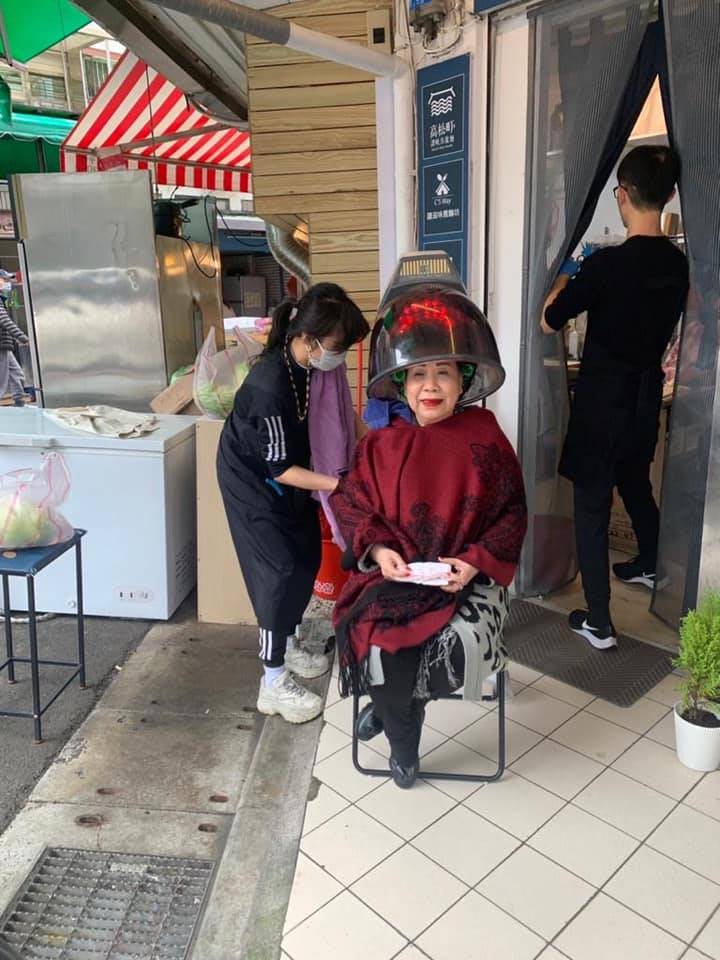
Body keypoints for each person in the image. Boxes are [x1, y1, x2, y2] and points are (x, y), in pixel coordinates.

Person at [330, 268, 527, 788]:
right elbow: (351, 503)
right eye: (417, 374)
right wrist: (378, 552)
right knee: (375, 631)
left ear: (463, 379)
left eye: (443, 372)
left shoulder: (486, 438)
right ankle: (402, 730)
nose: (431, 386)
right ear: (402, 384)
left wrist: (473, 563)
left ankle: (394, 718)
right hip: (394, 576)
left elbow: (511, 514)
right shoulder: (379, 445)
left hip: (464, 581)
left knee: (407, 646)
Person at [541, 145, 689, 649]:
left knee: (591, 504)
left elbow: (549, 319)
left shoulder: (605, 265)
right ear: (669, 195)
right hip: (644, 396)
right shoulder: (679, 264)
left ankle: (599, 621)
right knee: (635, 481)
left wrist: (570, 267)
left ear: (622, 195)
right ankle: (650, 561)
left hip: (603, 401)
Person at [217, 283, 370, 723]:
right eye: (337, 348)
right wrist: (339, 485)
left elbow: (338, 416)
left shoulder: (314, 369)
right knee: (278, 570)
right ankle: (272, 680)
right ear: (309, 338)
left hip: (293, 473)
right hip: (253, 479)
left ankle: (288, 642)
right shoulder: (268, 386)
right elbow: (280, 468)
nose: (339, 357)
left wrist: (371, 440)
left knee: (305, 555)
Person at [0, 274, 28, 407]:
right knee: (1, 380)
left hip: (4, 344)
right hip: (1, 345)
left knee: (16, 373)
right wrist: (21, 337)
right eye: (4, 280)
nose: (7, 283)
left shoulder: (2, 298)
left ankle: (19, 403)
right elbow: (4, 320)